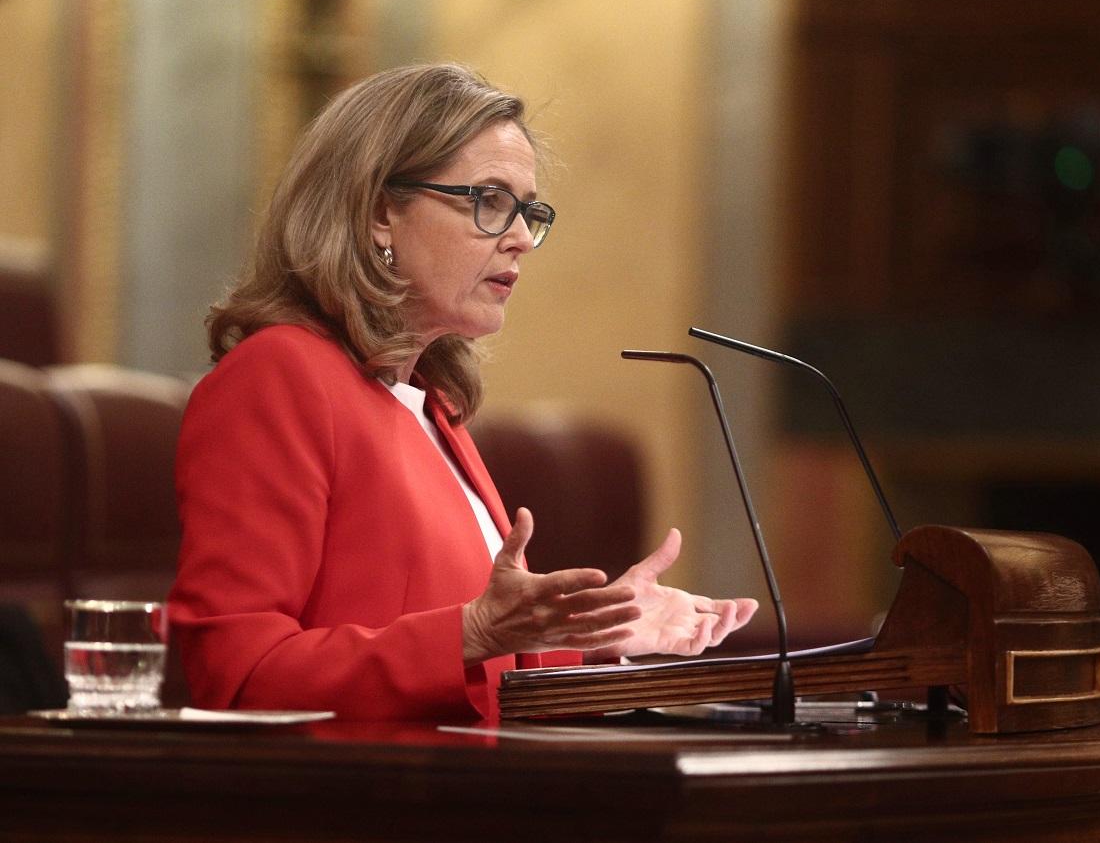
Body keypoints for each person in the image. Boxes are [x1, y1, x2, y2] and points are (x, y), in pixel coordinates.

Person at [168, 63, 758, 720]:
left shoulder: (429, 405)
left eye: (528, 212)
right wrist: (473, 632)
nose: (519, 239)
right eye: (489, 201)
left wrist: (594, 636)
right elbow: (238, 679)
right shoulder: (278, 378)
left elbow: (472, 666)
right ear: (378, 213)